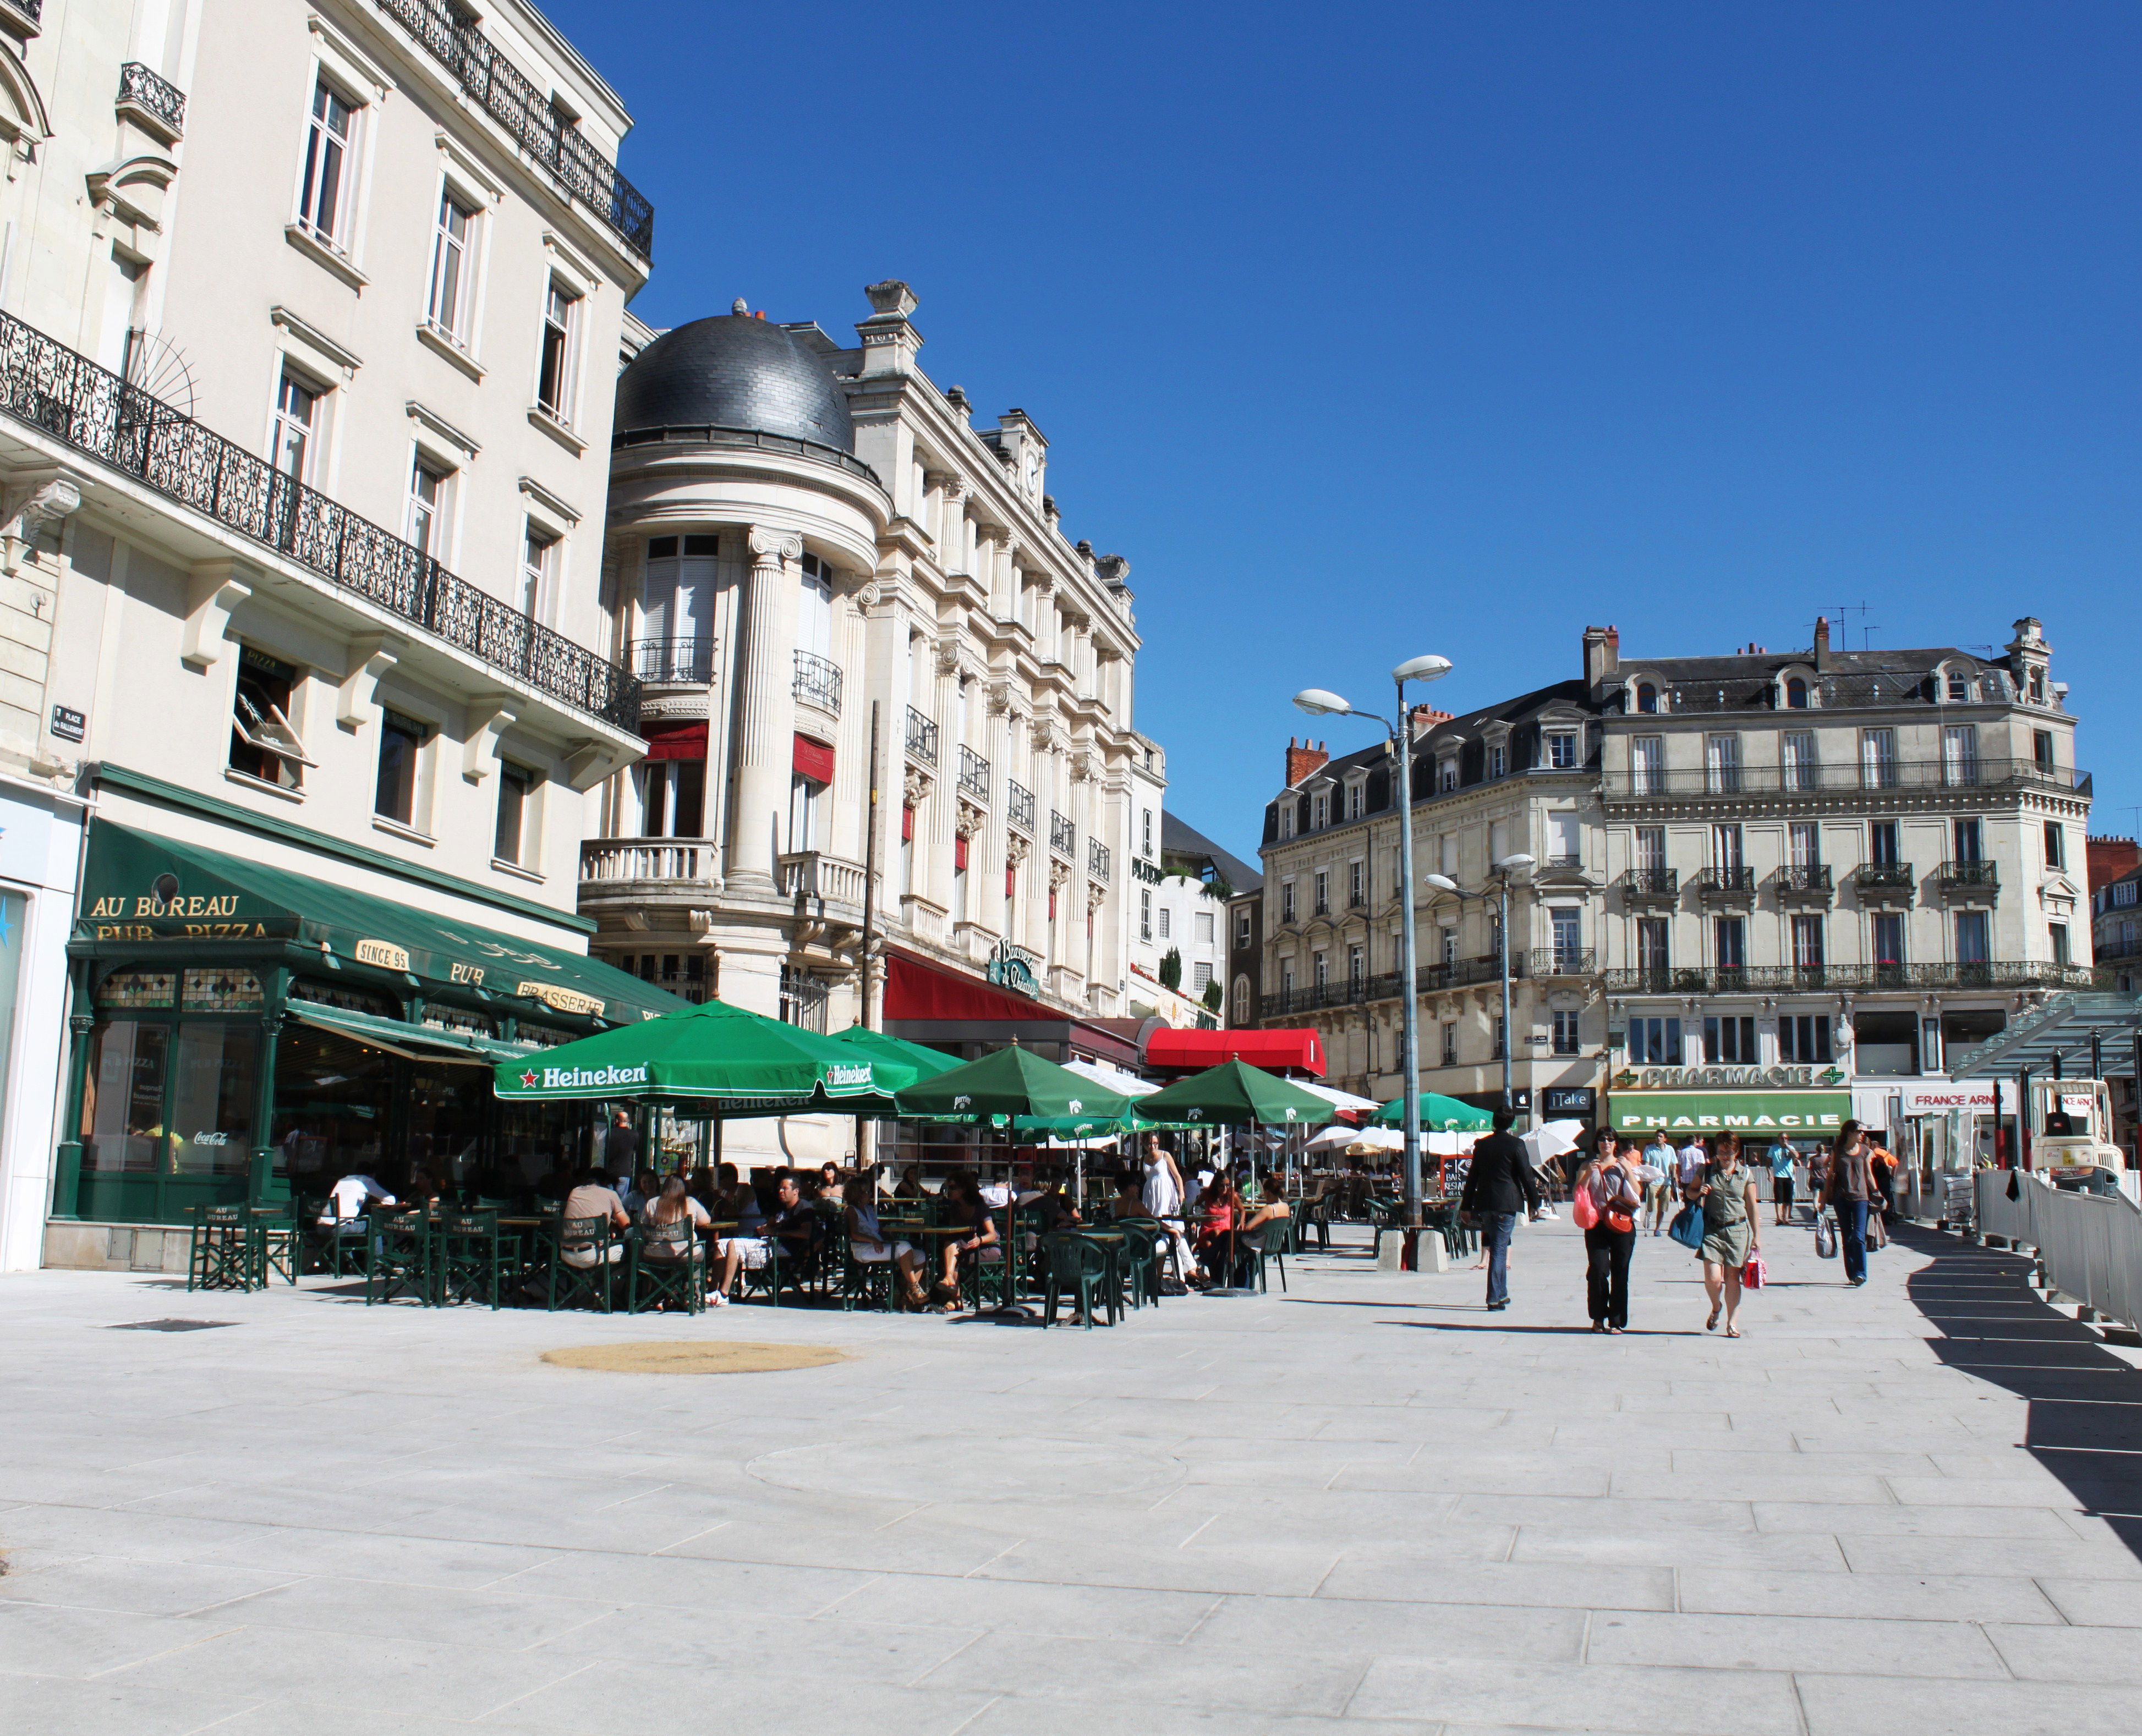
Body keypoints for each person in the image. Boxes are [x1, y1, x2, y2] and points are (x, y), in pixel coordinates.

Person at [1459, 1108, 1543, 1312]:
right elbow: (1527, 1176)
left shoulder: (1483, 1145)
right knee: (1499, 1249)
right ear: (1511, 1124)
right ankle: (1494, 1298)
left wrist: (1466, 1205)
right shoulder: (1516, 1145)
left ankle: (1502, 1293)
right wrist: (1536, 1202)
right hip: (1507, 1203)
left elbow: (1473, 1177)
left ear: (1494, 1122)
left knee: (1498, 1246)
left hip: (1485, 1202)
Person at [1695, 1133, 1762, 1336]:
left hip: (1738, 1231)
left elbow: (1751, 1206)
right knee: (1714, 1279)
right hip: (1713, 1230)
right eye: (1721, 1152)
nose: (1724, 1156)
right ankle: (1716, 1307)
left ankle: (1732, 1323)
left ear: (1737, 1152)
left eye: (1729, 1152)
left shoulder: (1745, 1174)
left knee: (1733, 1278)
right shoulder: (1707, 1170)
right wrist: (1699, 1192)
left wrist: (1757, 1237)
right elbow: (1689, 1192)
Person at [1579, 1135, 1642, 1333]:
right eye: (1602, 1139)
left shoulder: (1623, 1164)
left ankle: (1616, 1320)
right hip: (1596, 1224)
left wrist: (1627, 1171)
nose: (1606, 1142)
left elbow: (1638, 1192)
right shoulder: (1588, 1165)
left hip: (1622, 1224)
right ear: (1596, 1143)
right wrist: (1588, 1174)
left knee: (1620, 1272)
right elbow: (1577, 1191)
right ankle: (1598, 1318)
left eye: (1610, 1139)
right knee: (1597, 1270)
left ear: (1615, 1144)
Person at [1822, 1119, 1890, 1287]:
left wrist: (1877, 1193)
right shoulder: (1837, 1151)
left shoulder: (1866, 1151)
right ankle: (1852, 1274)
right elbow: (1830, 1175)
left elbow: (1869, 1175)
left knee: (1859, 1237)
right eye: (1859, 1131)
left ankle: (1861, 1274)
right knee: (1848, 1237)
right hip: (1841, 1198)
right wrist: (1822, 1200)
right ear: (1850, 1133)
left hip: (1861, 1197)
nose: (1862, 1134)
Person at [845, 1177, 927, 1309]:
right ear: (857, 1194)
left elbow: (879, 1230)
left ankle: (907, 1294)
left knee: (920, 1255)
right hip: (864, 1250)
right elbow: (854, 1234)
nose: (870, 1194)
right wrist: (873, 1240)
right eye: (866, 1192)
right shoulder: (851, 1210)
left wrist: (888, 1237)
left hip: (878, 1246)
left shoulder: (869, 1210)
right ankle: (914, 1288)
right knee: (905, 1247)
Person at [930, 1170, 1000, 1309]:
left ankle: (954, 1299)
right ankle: (951, 1286)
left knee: (953, 1257)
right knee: (949, 1248)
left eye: (952, 1188)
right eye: (947, 1187)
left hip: (987, 1248)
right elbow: (953, 1232)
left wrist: (980, 1240)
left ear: (964, 1189)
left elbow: (992, 1234)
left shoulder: (980, 1207)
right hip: (966, 1246)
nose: (948, 1191)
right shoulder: (955, 1207)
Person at [561, 1166, 631, 1270]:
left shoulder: (575, 1192)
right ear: (606, 1182)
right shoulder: (611, 1194)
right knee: (628, 1251)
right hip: (591, 1256)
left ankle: (590, 1282)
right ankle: (609, 1284)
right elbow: (625, 1224)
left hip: (566, 1254)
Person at [323, 1171, 394, 1226]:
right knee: (375, 1225)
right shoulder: (366, 1181)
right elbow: (391, 1200)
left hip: (322, 1225)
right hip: (339, 1226)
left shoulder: (343, 1180)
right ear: (372, 1175)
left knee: (357, 1221)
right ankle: (379, 1245)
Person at [1643, 1131, 1676, 1233]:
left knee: (1662, 1208)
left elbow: (1673, 1164)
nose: (1658, 1138)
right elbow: (1646, 1164)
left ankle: (1657, 1229)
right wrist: (1647, 1177)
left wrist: (1674, 1176)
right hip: (1653, 1181)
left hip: (1666, 1182)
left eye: (1661, 1136)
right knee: (1652, 1206)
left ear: (1665, 1139)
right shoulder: (1649, 1149)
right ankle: (1648, 1217)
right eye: (1657, 1136)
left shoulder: (1670, 1149)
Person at [1767, 1138, 1797, 1226]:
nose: (1784, 1140)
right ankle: (1779, 1219)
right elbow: (1768, 1162)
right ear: (1779, 1139)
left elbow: (1796, 1156)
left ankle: (1786, 1219)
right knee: (1779, 1199)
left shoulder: (1790, 1147)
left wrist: (1787, 1147)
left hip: (1789, 1176)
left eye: (1786, 1138)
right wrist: (1770, 1174)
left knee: (1788, 1199)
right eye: (1782, 1138)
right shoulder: (1774, 1148)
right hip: (1779, 1176)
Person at [603, 1110, 639, 1179]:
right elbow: (636, 1149)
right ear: (628, 1121)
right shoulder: (634, 1134)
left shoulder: (610, 1133)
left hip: (610, 1171)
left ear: (616, 1121)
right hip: (625, 1171)